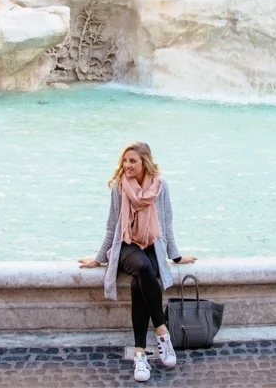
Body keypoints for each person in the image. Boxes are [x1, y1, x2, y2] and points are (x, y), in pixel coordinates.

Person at [79, 142, 198, 383]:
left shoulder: (161, 188)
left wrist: (175, 256)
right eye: (125, 161)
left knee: (139, 283)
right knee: (143, 268)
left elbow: (167, 222)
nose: (127, 165)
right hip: (126, 246)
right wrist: (100, 258)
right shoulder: (118, 188)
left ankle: (140, 353)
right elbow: (112, 225)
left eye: (132, 161)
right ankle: (162, 332)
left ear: (145, 162)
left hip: (152, 245)